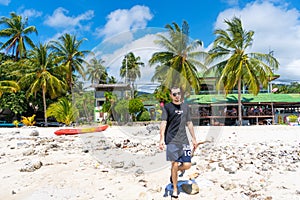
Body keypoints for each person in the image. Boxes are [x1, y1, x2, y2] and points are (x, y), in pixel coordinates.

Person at [159, 87, 197, 199]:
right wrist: (161, 139)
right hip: (171, 140)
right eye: (174, 94)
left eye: (179, 94)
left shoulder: (185, 107)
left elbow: (189, 123)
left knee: (187, 165)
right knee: (174, 163)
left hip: (184, 140)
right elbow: (163, 123)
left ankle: (174, 172)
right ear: (171, 95)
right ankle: (175, 189)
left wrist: (194, 138)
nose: (177, 96)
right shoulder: (167, 107)